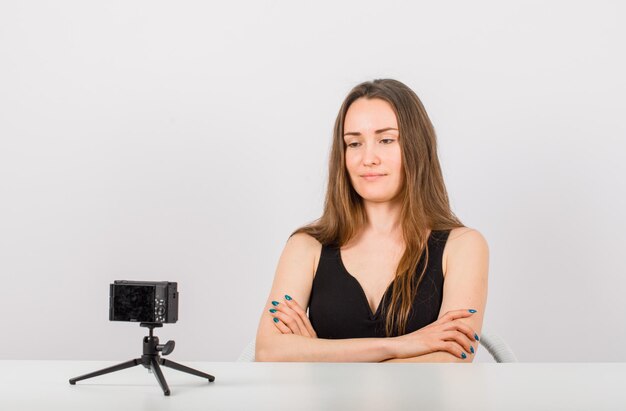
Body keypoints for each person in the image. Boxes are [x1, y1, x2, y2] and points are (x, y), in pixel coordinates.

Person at [255, 79, 488, 362]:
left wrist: (318, 355)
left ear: (417, 147)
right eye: (354, 143)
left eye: (387, 140)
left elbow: (449, 361)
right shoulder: (306, 246)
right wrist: (401, 345)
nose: (368, 158)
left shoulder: (463, 246)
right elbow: (268, 352)